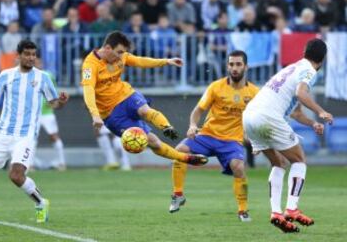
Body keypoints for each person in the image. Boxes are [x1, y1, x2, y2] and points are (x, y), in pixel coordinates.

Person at [242, 38, 333, 233]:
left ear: (304, 52)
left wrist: (312, 123)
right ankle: (292, 208)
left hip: (249, 116)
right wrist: (321, 111)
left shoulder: (292, 68)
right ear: (323, 58)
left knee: (279, 163)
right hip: (268, 116)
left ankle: (276, 213)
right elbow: (301, 93)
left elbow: (296, 111)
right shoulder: (309, 70)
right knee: (299, 160)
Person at [81, 31, 208, 166]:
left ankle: (166, 127)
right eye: (119, 52)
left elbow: (140, 61)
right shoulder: (90, 65)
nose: (121, 56)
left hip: (126, 95)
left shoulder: (121, 56)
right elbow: (88, 90)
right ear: (107, 48)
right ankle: (185, 158)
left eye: (123, 53)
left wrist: (166, 61)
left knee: (144, 110)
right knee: (153, 142)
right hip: (111, 114)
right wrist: (95, 115)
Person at [169, 50, 259, 222]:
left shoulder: (255, 93)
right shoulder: (216, 87)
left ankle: (243, 210)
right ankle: (178, 194)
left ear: (245, 67)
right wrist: (193, 125)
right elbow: (198, 111)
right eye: (231, 64)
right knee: (179, 151)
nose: (234, 68)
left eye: (238, 64)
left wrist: (257, 141)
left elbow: (259, 119)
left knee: (239, 168)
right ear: (227, 66)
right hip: (208, 135)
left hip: (232, 141)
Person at [0, 39, 69, 223]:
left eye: (34, 54)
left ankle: (41, 202)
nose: (31, 58)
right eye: (27, 54)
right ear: (18, 56)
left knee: (15, 175)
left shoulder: (42, 77)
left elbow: (54, 103)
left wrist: (61, 102)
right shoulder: (6, 75)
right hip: (2, 133)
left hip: (25, 136)